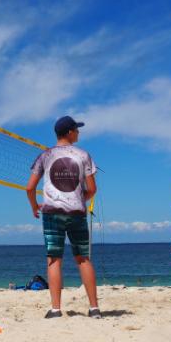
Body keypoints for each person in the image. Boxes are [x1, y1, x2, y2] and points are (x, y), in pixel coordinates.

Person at [26, 116, 100, 319]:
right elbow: (92, 189)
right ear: (69, 132)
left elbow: (30, 187)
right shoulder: (84, 155)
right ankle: (94, 309)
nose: (79, 132)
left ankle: (56, 310)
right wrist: (79, 198)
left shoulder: (45, 155)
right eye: (76, 129)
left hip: (52, 213)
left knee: (54, 261)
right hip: (77, 213)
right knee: (83, 259)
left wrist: (34, 207)